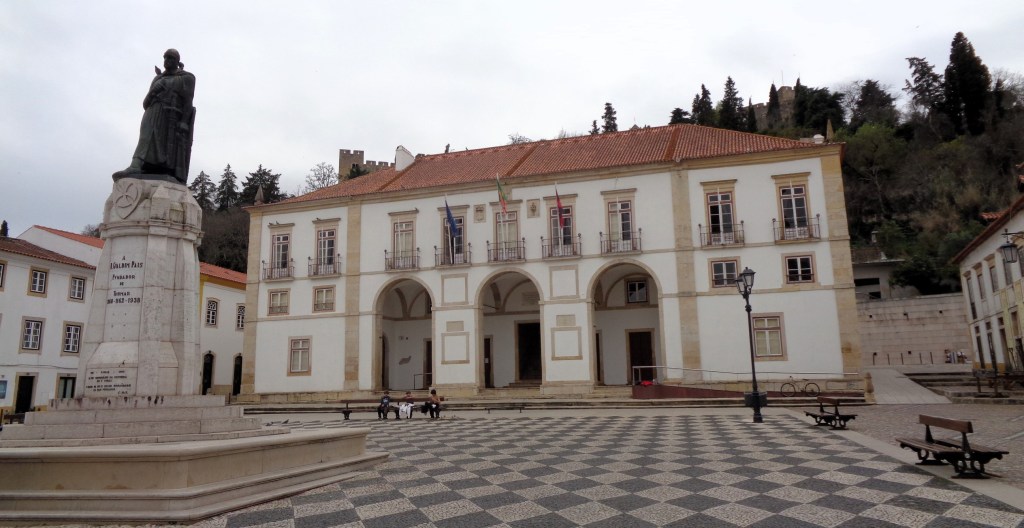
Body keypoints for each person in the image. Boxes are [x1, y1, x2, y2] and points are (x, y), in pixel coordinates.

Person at [113, 49, 196, 184]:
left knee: (164, 146)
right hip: (152, 111)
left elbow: (188, 101)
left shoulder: (186, 78)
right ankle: (135, 165)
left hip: (170, 115)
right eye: (165, 57)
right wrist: (153, 91)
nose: (167, 60)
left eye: (170, 58)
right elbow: (145, 104)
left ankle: (159, 168)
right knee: (144, 137)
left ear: (177, 61)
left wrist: (184, 122)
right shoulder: (158, 79)